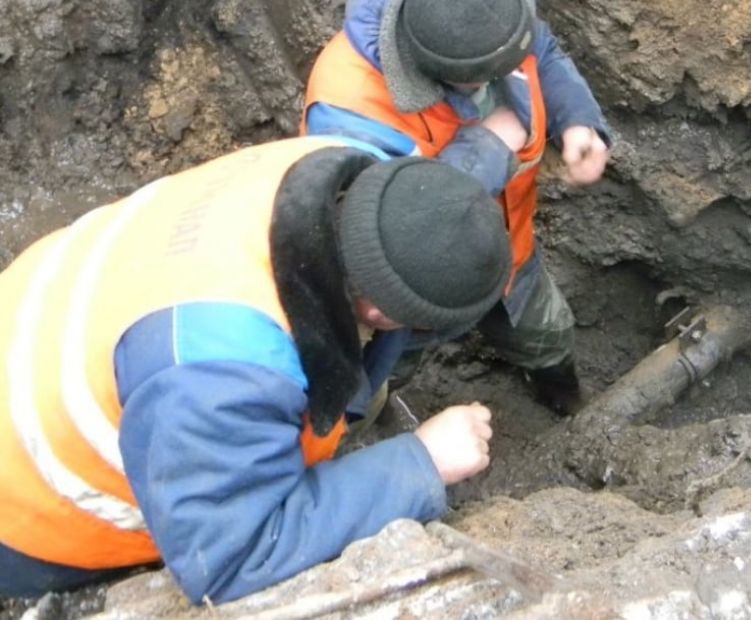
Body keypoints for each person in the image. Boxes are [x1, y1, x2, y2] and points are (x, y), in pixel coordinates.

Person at [0, 134, 513, 604]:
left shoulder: (338, 166)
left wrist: (490, 146)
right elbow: (236, 556)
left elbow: (433, 220)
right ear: (381, 314)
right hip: (22, 502)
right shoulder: (223, 376)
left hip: (37, 313)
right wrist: (422, 462)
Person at [303, 0, 610, 415]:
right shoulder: (348, 114)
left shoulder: (492, 9)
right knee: (379, 371)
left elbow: (540, 49)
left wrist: (577, 120)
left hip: (506, 252)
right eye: (485, 75)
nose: (503, 75)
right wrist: (485, 148)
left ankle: (565, 398)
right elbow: (380, 230)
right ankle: (372, 424)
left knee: (543, 334)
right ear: (433, 68)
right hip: (408, 292)